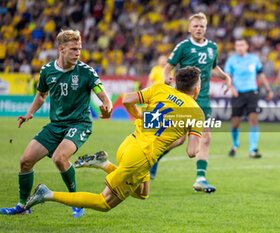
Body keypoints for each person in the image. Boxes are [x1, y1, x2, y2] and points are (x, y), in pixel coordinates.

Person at [24, 66, 205, 213]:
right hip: (141, 157)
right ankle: (47, 194)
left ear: (178, 83)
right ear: (196, 89)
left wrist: (140, 116)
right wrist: (193, 133)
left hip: (129, 144)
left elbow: (128, 100)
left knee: (143, 193)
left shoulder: (160, 88)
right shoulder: (196, 112)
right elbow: (192, 152)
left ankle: (104, 164)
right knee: (104, 202)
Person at [0, 29, 113, 217]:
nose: (78, 53)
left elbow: (103, 95)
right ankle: (22, 206)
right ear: (61, 49)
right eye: (73, 49)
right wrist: (29, 113)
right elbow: (41, 95)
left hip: (80, 124)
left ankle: (76, 201)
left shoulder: (86, 71)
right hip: (56, 125)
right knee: (25, 161)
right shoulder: (47, 71)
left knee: (60, 158)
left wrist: (107, 107)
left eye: (79, 49)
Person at [149, 12, 233, 193]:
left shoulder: (212, 47)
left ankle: (200, 178)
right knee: (179, 139)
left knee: (206, 137)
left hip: (203, 101)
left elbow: (213, 67)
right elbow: (168, 66)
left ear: (206, 28)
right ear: (189, 28)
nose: (198, 29)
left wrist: (225, 76)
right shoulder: (183, 46)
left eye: (202, 26)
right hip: (184, 100)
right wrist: (166, 78)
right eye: (195, 26)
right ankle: (153, 158)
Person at [224, 38, 273, 158]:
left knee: (254, 120)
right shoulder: (231, 60)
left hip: (252, 93)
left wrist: (268, 90)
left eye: (242, 45)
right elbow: (227, 77)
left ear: (247, 46)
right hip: (238, 94)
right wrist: (232, 88)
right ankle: (235, 144)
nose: (239, 47)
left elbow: (261, 75)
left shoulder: (254, 59)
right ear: (235, 48)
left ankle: (253, 150)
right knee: (235, 123)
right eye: (237, 45)